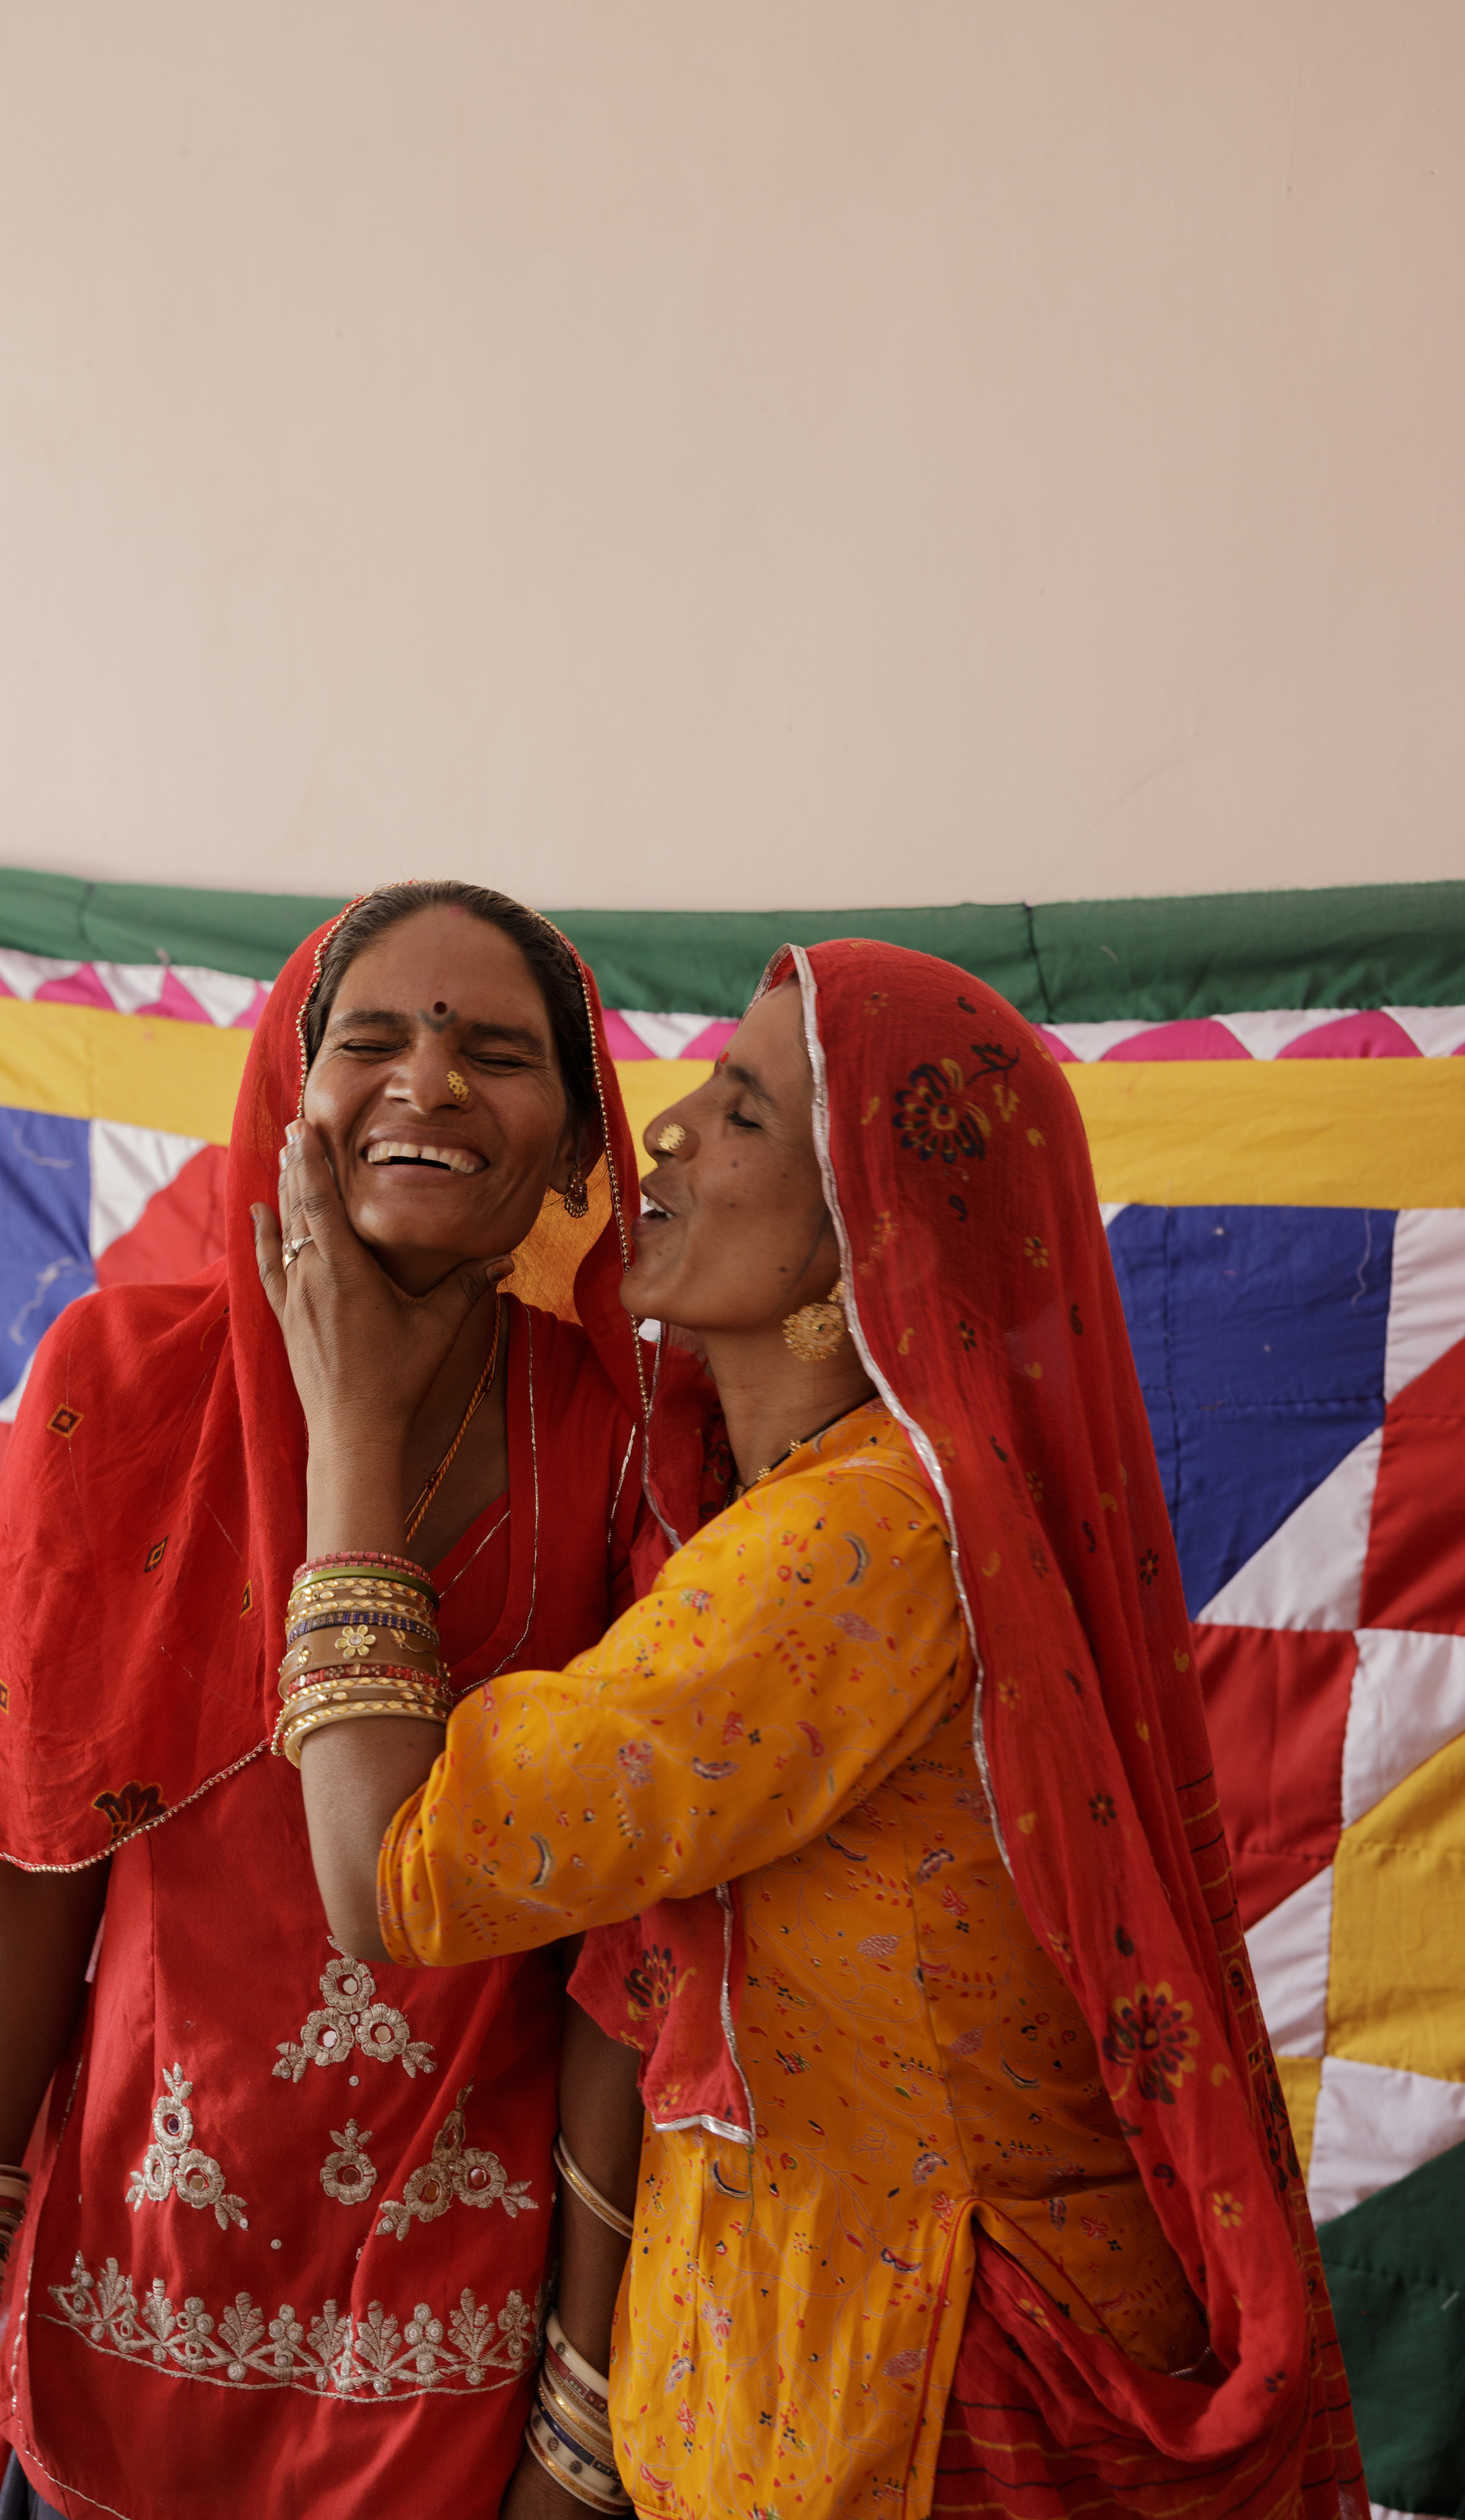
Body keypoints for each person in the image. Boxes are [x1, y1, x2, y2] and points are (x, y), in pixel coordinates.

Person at [286, 938, 1368, 2518]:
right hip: (825, 2348)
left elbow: (396, 1872)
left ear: (859, 1236)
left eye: (737, 1115)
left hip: (924, 2393)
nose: (661, 1134)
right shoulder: (817, 1512)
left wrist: (353, 1428)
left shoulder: (848, 1547)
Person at [0, 883, 655, 2520]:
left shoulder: (632, 1438)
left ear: (581, 1152)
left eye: (494, 1051)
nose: (426, 1080)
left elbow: (632, 1959)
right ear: (291, 1111)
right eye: (370, 1039)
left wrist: (584, 2398)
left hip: (465, 2336)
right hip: (129, 2284)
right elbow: (29, 1853)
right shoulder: (129, 1383)